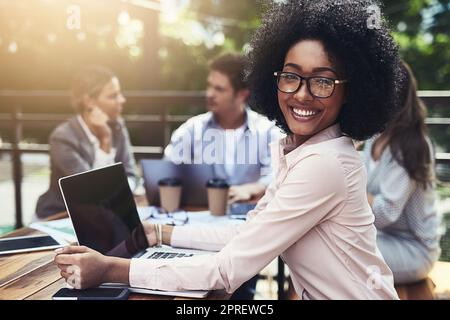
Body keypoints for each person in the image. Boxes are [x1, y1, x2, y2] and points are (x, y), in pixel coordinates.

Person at [55, 0, 402, 299]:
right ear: (274, 79)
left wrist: (109, 269)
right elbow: (247, 232)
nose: (301, 94)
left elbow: (224, 272)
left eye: (323, 81)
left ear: (351, 91)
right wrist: (160, 232)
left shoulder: (324, 164)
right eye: (291, 76)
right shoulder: (300, 151)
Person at [164, 53, 283, 204]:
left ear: (241, 95)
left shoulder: (267, 132)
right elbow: (168, 172)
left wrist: (254, 188)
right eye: (209, 86)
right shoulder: (192, 129)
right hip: (202, 215)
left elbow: (279, 175)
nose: (209, 94)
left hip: (250, 215)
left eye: (219, 89)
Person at [362, 61, 441, 284]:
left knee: (341, 253)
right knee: (329, 242)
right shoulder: (375, 136)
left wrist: (348, 189)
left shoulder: (413, 145)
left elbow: (385, 213)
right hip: (382, 237)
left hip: (413, 249)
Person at [35, 65, 137, 219]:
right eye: (113, 96)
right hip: (59, 217)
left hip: (101, 215)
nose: (122, 100)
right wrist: (105, 141)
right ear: (89, 101)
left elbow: (130, 174)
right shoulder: (62, 138)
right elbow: (91, 191)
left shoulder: (117, 126)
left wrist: (119, 192)